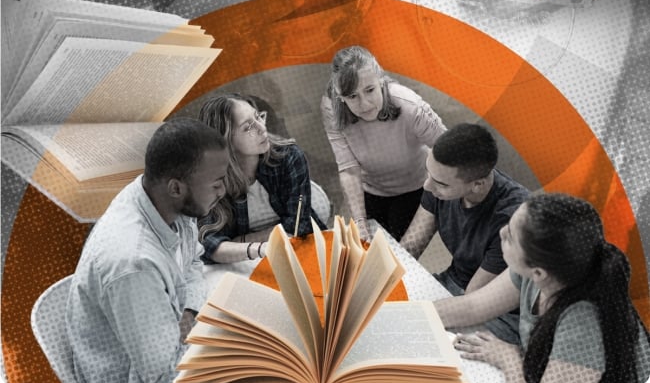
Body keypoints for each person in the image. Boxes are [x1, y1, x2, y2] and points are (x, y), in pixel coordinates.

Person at [65, 118, 229, 383]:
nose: (223, 191)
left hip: (172, 345)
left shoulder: (163, 197)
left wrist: (188, 313)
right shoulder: (134, 263)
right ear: (176, 187)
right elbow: (164, 377)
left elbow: (192, 263)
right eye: (216, 183)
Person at [435, 193, 650, 383]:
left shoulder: (583, 325)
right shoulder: (539, 270)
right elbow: (473, 306)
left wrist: (508, 357)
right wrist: (411, 313)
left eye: (510, 236)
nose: (501, 232)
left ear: (539, 273)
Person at [401, 123, 529, 343]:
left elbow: (473, 301)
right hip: (453, 284)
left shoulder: (512, 220)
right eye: (428, 173)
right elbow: (411, 246)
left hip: (495, 312)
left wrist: (408, 316)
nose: (427, 186)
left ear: (477, 185)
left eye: (440, 183)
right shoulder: (439, 184)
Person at [321, 45, 447, 241]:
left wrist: (439, 192)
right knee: (369, 248)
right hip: (371, 188)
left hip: (416, 188)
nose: (365, 104)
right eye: (352, 96)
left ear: (380, 80)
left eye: (370, 90)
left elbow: (448, 149)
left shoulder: (409, 105)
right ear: (340, 97)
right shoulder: (331, 108)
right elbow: (349, 169)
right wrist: (360, 222)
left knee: (401, 254)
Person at [198, 93, 328, 264]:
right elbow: (210, 246)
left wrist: (239, 242)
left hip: (296, 248)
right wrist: (256, 248)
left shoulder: (289, 156)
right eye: (248, 127)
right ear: (225, 140)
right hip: (248, 259)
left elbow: (298, 228)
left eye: (258, 116)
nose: (262, 128)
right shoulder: (209, 178)